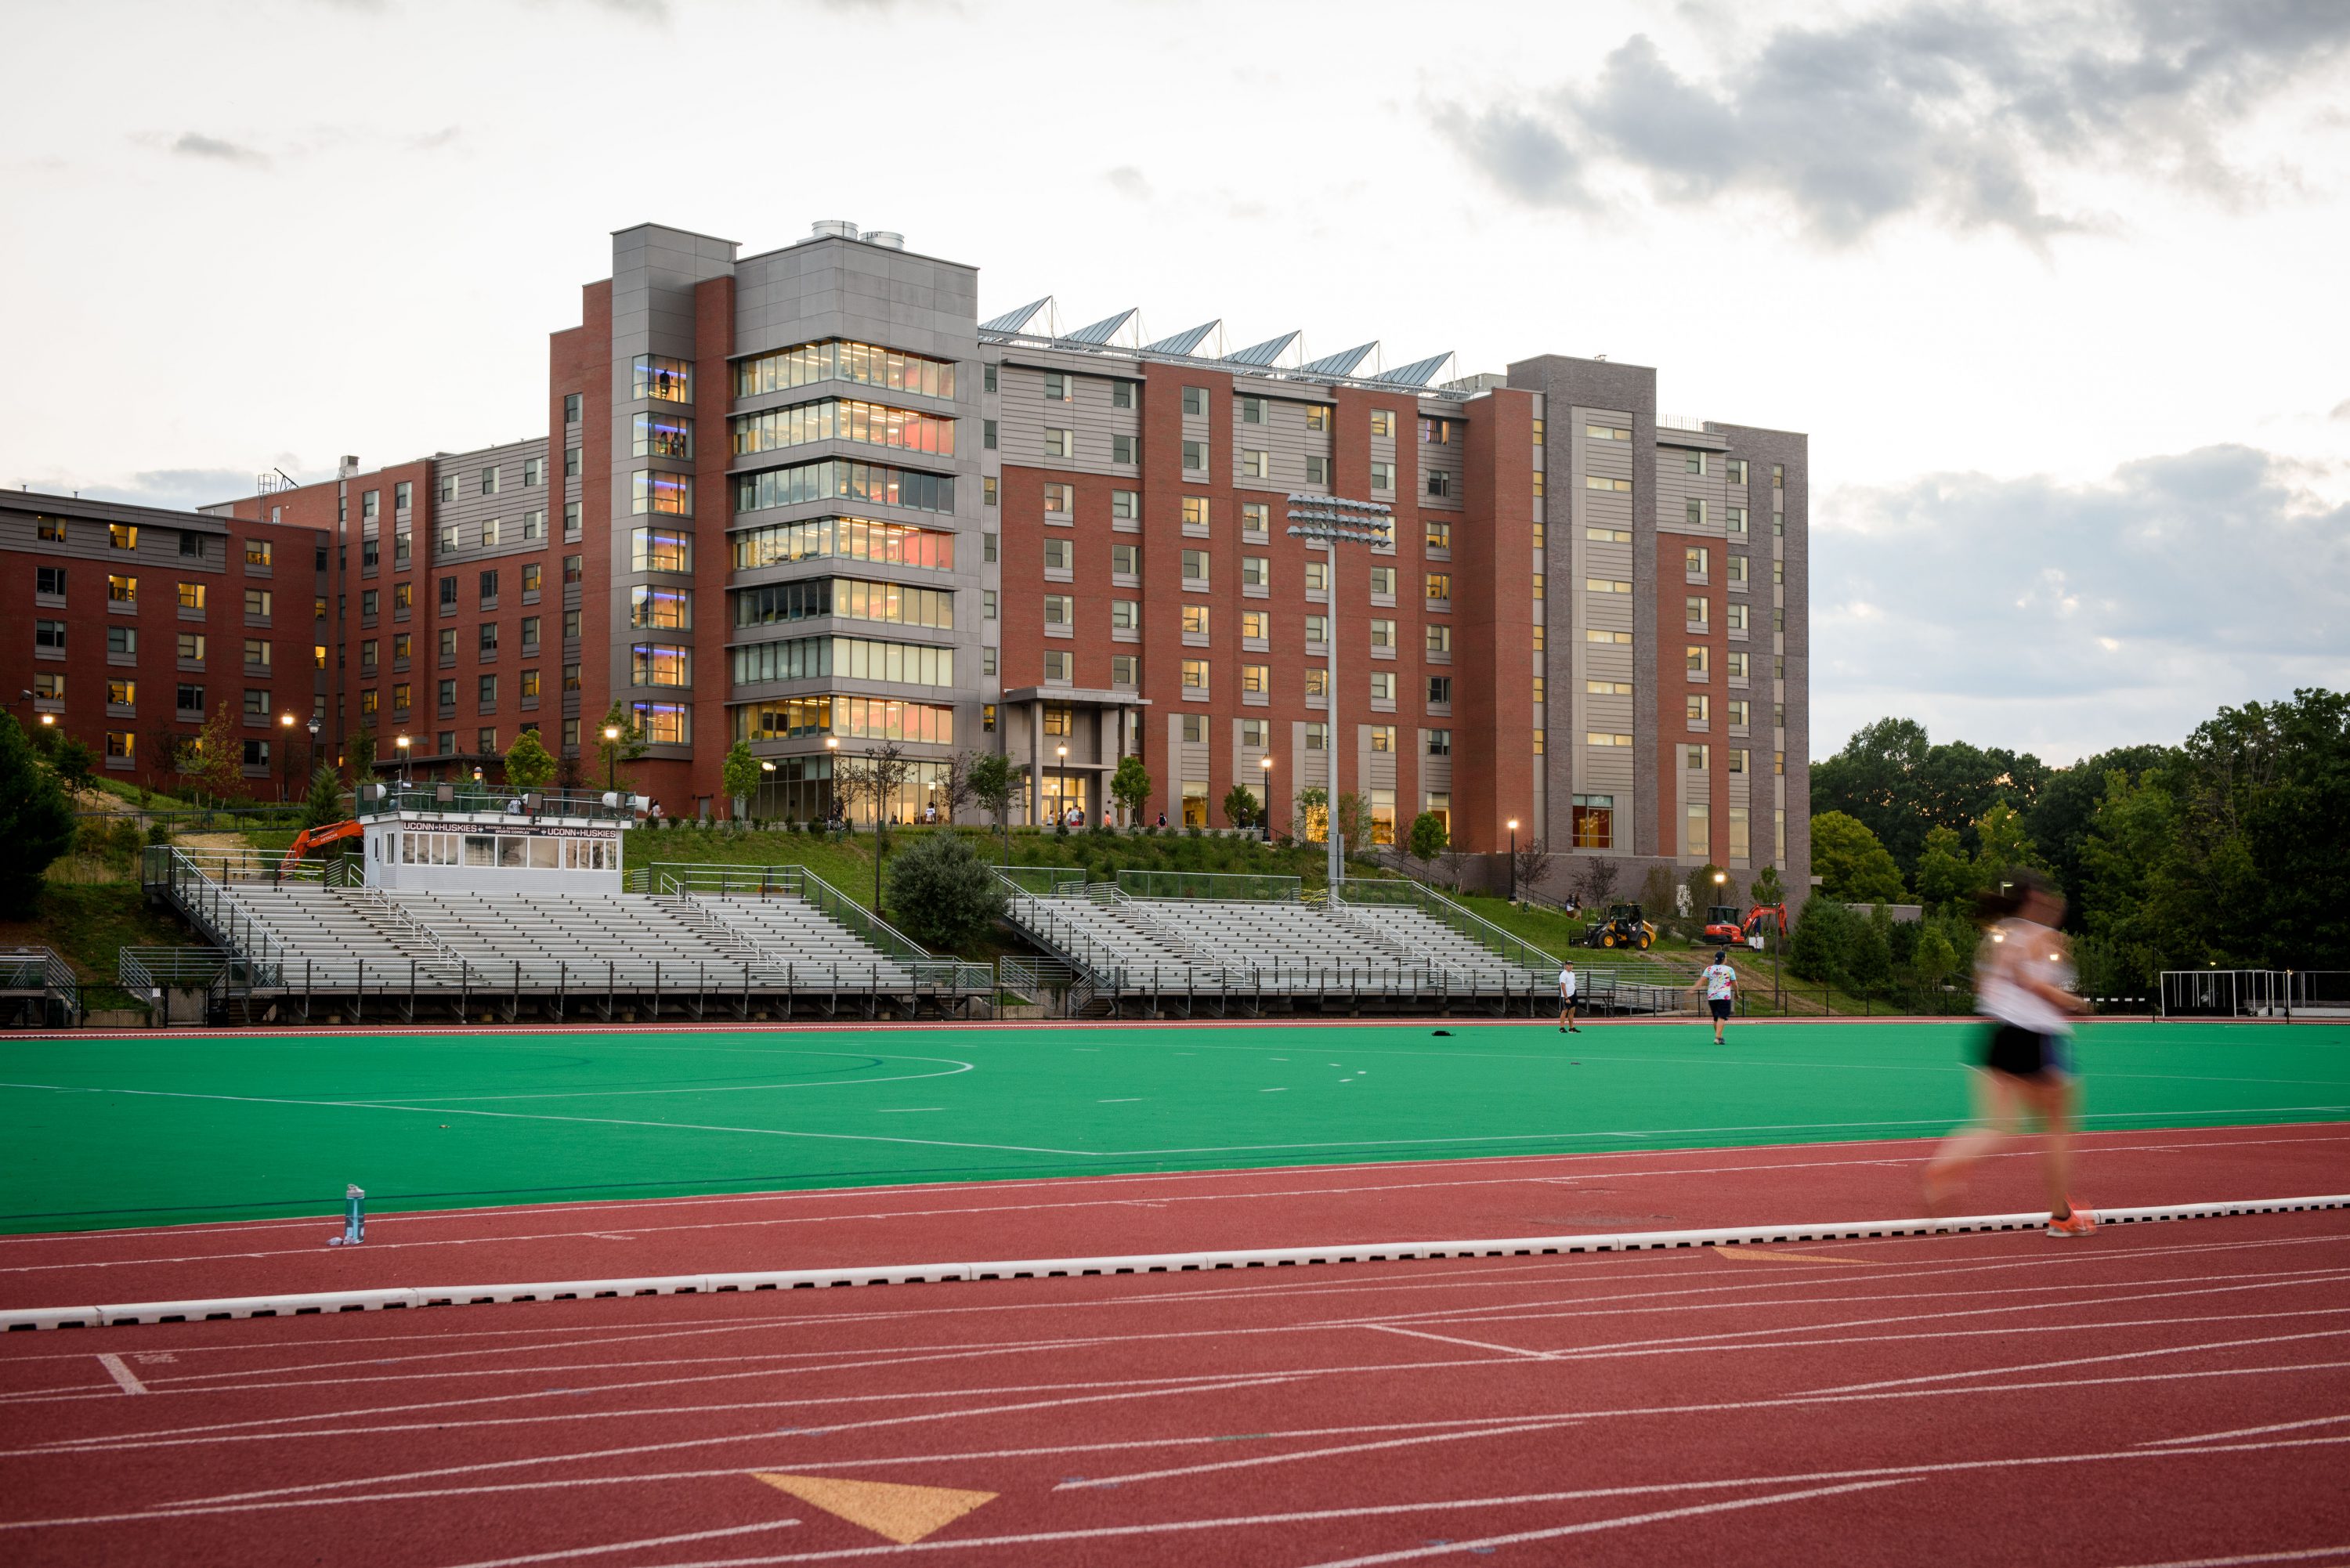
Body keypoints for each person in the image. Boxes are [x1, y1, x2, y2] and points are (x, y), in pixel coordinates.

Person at [1923, 870, 2097, 1237]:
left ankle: (1943, 1166)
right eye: (2049, 898)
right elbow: (2034, 985)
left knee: (1998, 1127)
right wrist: (2078, 1005)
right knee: (2059, 1128)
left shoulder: (1998, 937)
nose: (2056, 905)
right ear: (2034, 898)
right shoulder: (2037, 937)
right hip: (2036, 1038)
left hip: (1997, 1034)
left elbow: (1993, 985)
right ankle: (2061, 1215)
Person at [1688, 948, 1737, 1043]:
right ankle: (1718, 1038)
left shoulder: (1709, 969)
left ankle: (1720, 1037)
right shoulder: (1729, 969)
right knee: (1722, 1017)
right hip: (1724, 996)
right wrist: (1737, 993)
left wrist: (1693, 989)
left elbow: (1701, 981)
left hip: (1712, 996)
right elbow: (1735, 984)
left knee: (1716, 1018)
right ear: (1724, 959)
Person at [1557, 958, 1580, 1033]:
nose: (1570, 966)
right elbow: (1563, 986)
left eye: (1571, 965)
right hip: (1567, 995)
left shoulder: (1573, 974)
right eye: (1569, 965)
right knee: (1565, 1011)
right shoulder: (1563, 974)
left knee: (1572, 1011)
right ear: (1565, 966)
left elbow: (1572, 984)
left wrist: (1575, 992)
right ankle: (1561, 1028)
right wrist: (1566, 998)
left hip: (1573, 993)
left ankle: (1571, 1028)